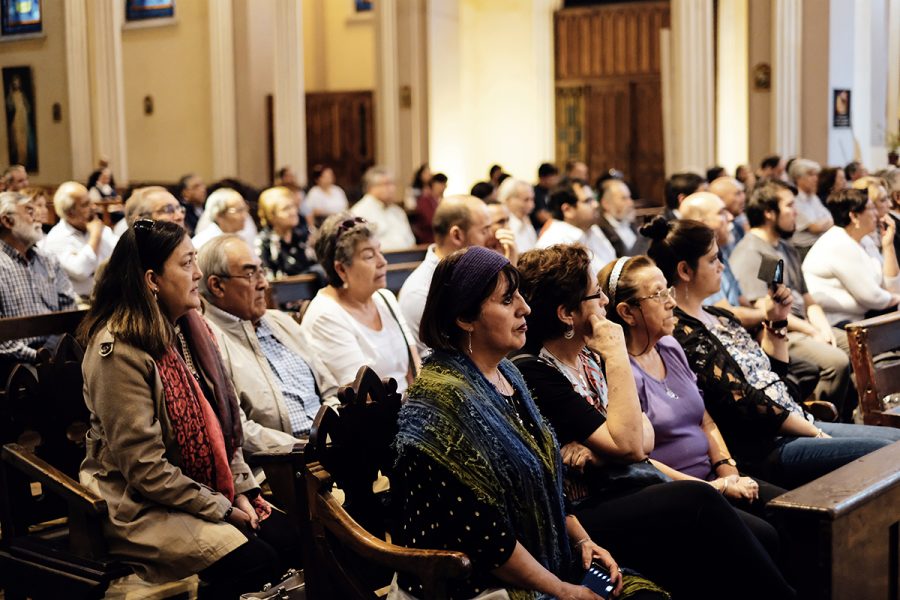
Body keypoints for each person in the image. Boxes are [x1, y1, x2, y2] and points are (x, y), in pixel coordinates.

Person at [515, 245, 794, 600]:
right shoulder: (537, 371)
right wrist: (616, 354)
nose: (602, 301)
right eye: (594, 294)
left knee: (765, 533)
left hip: (628, 485)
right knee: (696, 499)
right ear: (567, 313)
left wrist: (605, 449)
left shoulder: (587, 358)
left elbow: (643, 440)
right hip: (586, 512)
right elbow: (632, 444)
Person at [393, 246, 667, 600]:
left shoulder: (507, 374)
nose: (525, 308)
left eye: (521, 294)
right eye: (508, 300)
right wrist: (563, 590)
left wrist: (584, 540)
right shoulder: (441, 403)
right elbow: (486, 539)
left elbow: (545, 483)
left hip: (545, 559)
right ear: (465, 317)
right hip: (477, 583)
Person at [77, 219, 301, 597]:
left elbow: (225, 430)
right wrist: (224, 508)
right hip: (140, 505)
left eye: (196, 261)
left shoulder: (189, 331)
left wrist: (241, 489)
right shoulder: (119, 350)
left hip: (200, 488)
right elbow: (145, 469)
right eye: (185, 264)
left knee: (295, 540)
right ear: (152, 279)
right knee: (255, 559)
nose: (197, 273)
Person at [643, 217, 900, 489]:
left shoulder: (719, 316)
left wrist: (778, 321)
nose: (722, 265)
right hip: (764, 444)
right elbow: (741, 400)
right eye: (712, 259)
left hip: (792, 421)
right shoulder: (682, 332)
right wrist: (813, 431)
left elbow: (771, 373)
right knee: (889, 452)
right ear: (685, 270)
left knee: (894, 440)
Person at [729, 180, 854, 419]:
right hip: (782, 330)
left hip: (803, 325)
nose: (796, 212)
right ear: (769, 212)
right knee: (836, 361)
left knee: (856, 343)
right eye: (789, 206)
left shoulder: (786, 248)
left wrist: (823, 328)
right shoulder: (754, 252)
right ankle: (819, 420)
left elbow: (808, 298)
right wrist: (811, 330)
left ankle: (859, 416)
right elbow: (767, 308)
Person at [199, 235, 335, 454]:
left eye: (261, 271)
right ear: (217, 285)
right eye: (250, 274)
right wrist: (305, 448)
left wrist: (336, 432)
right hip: (281, 465)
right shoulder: (208, 340)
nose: (263, 283)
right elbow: (239, 430)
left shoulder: (279, 321)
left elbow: (330, 389)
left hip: (330, 447)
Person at [299, 213, 420, 397]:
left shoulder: (384, 298)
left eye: (380, 251)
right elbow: (363, 397)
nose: (383, 262)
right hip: (374, 419)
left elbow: (414, 368)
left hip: (409, 410)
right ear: (341, 269)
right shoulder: (325, 316)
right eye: (369, 256)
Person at [399, 196, 500, 356]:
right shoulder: (421, 292)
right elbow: (441, 365)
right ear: (457, 236)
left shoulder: (470, 273)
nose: (492, 238)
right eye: (484, 230)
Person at [0, 191, 77, 368]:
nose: (39, 218)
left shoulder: (48, 260)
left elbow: (68, 306)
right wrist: (36, 356)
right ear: (7, 221)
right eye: (29, 211)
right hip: (11, 362)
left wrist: (51, 351)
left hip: (55, 355)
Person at [803, 188, 900, 326]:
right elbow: (873, 298)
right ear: (854, 216)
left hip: (868, 316)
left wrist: (888, 245)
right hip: (840, 322)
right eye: (871, 208)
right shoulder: (838, 243)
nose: (876, 214)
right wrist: (896, 299)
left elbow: (892, 288)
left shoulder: (864, 239)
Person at [43, 181, 116, 300]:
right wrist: (95, 236)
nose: (93, 207)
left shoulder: (103, 230)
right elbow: (81, 270)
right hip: (80, 303)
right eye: (85, 204)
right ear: (69, 213)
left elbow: (123, 257)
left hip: (110, 299)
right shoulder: (57, 238)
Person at [536, 180, 616, 274]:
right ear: (567, 210)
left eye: (594, 199)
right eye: (588, 201)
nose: (596, 205)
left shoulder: (591, 228)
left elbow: (612, 263)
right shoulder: (553, 245)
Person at [255, 186, 318, 278]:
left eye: (293, 206)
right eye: (286, 209)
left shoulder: (305, 234)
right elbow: (265, 276)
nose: (293, 212)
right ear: (271, 216)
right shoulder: (264, 242)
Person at [350, 166, 415, 251]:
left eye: (392, 184)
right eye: (386, 184)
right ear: (370, 187)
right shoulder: (359, 212)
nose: (392, 189)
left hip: (408, 258)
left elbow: (412, 242)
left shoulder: (398, 212)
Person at [789, 159, 832, 258]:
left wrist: (822, 223)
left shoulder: (813, 197)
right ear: (798, 178)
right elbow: (815, 228)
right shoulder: (794, 199)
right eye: (810, 175)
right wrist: (824, 223)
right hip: (803, 249)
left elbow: (831, 219)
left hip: (819, 245)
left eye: (816, 175)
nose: (815, 179)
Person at [498, 177, 538, 252]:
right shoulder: (503, 226)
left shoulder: (526, 221)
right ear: (508, 200)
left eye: (532, 199)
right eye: (526, 200)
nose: (532, 205)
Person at [412, 172, 447, 244]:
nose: (443, 187)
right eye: (441, 184)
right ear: (433, 185)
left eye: (444, 184)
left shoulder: (444, 201)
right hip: (429, 239)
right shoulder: (424, 201)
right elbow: (431, 221)